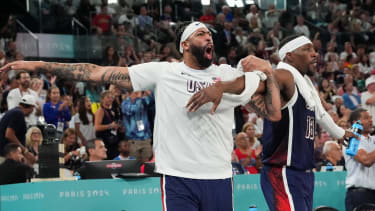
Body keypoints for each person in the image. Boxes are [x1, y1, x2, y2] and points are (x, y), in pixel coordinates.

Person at [0, 21, 281, 211]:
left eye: (209, 34)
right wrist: (38, 64)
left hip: (218, 176)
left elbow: (267, 99)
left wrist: (230, 83)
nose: (208, 37)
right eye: (200, 34)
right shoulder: (164, 72)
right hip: (178, 177)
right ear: (184, 44)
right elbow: (96, 72)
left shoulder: (227, 74)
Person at [193, 35, 356, 211]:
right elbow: (255, 83)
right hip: (283, 172)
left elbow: (321, 114)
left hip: (302, 174)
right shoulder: (284, 76)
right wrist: (222, 86)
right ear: (289, 55)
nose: (315, 54)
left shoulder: (306, 86)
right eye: (307, 49)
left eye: (314, 49)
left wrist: (341, 133)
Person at [343, 108, 375, 211]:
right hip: (359, 195)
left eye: (370, 117)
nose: (371, 120)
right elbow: (366, 160)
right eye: (366, 118)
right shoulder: (349, 139)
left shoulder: (373, 140)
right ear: (355, 122)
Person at [0, 95, 36, 164]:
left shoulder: (13, 111)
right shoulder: (18, 113)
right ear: (31, 107)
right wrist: (25, 151)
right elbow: (9, 134)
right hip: (6, 156)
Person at [122, 90, 153, 162]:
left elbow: (152, 100)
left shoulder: (142, 101)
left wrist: (147, 91)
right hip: (133, 139)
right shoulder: (125, 103)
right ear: (130, 93)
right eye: (136, 92)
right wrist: (138, 99)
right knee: (135, 163)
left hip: (146, 137)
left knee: (146, 162)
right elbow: (132, 110)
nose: (139, 94)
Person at [95, 90, 119, 159]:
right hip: (105, 142)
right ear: (102, 99)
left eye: (112, 97)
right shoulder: (101, 110)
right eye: (108, 97)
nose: (110, 99)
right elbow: (97, 127)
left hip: (112, 142)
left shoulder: (111, 110)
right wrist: (111, 126)